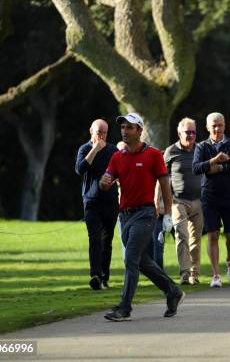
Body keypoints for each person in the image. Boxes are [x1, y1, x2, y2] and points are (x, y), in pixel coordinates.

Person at [99, 113, 184, 321]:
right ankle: (172, 291)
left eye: (129, 128)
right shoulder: (118, 156)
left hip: (146, 214)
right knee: (142, 261)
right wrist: (104, 182)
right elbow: (107, 178)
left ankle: (124, 308)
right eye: (123, 128)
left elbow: (165, 185)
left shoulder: (153, 155)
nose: (124, 131)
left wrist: (167, 214)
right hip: (125, 216)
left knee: (131, 259)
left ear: (139, 131)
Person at [192, 112, 230, 288]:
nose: (217, 128)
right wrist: (213, 161)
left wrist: (222, 167)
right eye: (213, 125)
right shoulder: (202, 147)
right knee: (213, 235)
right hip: (209, 196)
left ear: (225, 126)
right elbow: (195, 168)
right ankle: (216, 275)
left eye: (220, 125)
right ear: (207, 127)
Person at [157, 118, 204, 284]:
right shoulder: (171, 152)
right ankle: (185, 273)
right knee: (181, 235)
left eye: (193, 132)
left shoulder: (201, 149)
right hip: (178, 201)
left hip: (199, 201)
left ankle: (195, 274)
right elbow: (160, 178)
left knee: (195, 239)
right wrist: (158, 201)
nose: (191, 135)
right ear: (179, 133)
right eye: (187, 132)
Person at [75, 119, 119, 290]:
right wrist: (95, 149)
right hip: (91, 202)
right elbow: (80, 169)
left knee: (106, 241)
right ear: (91, 132)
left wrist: (111, 180)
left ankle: (105, 277)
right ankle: (95, 275)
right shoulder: (85, 149)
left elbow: (120, 172)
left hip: (110, 202)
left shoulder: (113, 150)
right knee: (95, 240)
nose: (102, 136)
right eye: (99, 132)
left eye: (105, 133)